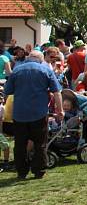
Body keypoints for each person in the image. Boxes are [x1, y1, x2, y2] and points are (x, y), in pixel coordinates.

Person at [5, 50, 63, 180]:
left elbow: (8, 91)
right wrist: (60, 110)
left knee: (20, 144)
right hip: (39, 113)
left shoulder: (16, 70)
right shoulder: (45, 70)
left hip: (19, 114)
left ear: (28, 57)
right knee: (40, 143)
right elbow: (57, 92)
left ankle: (21, 172)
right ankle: (39, 170)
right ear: (41, 59)